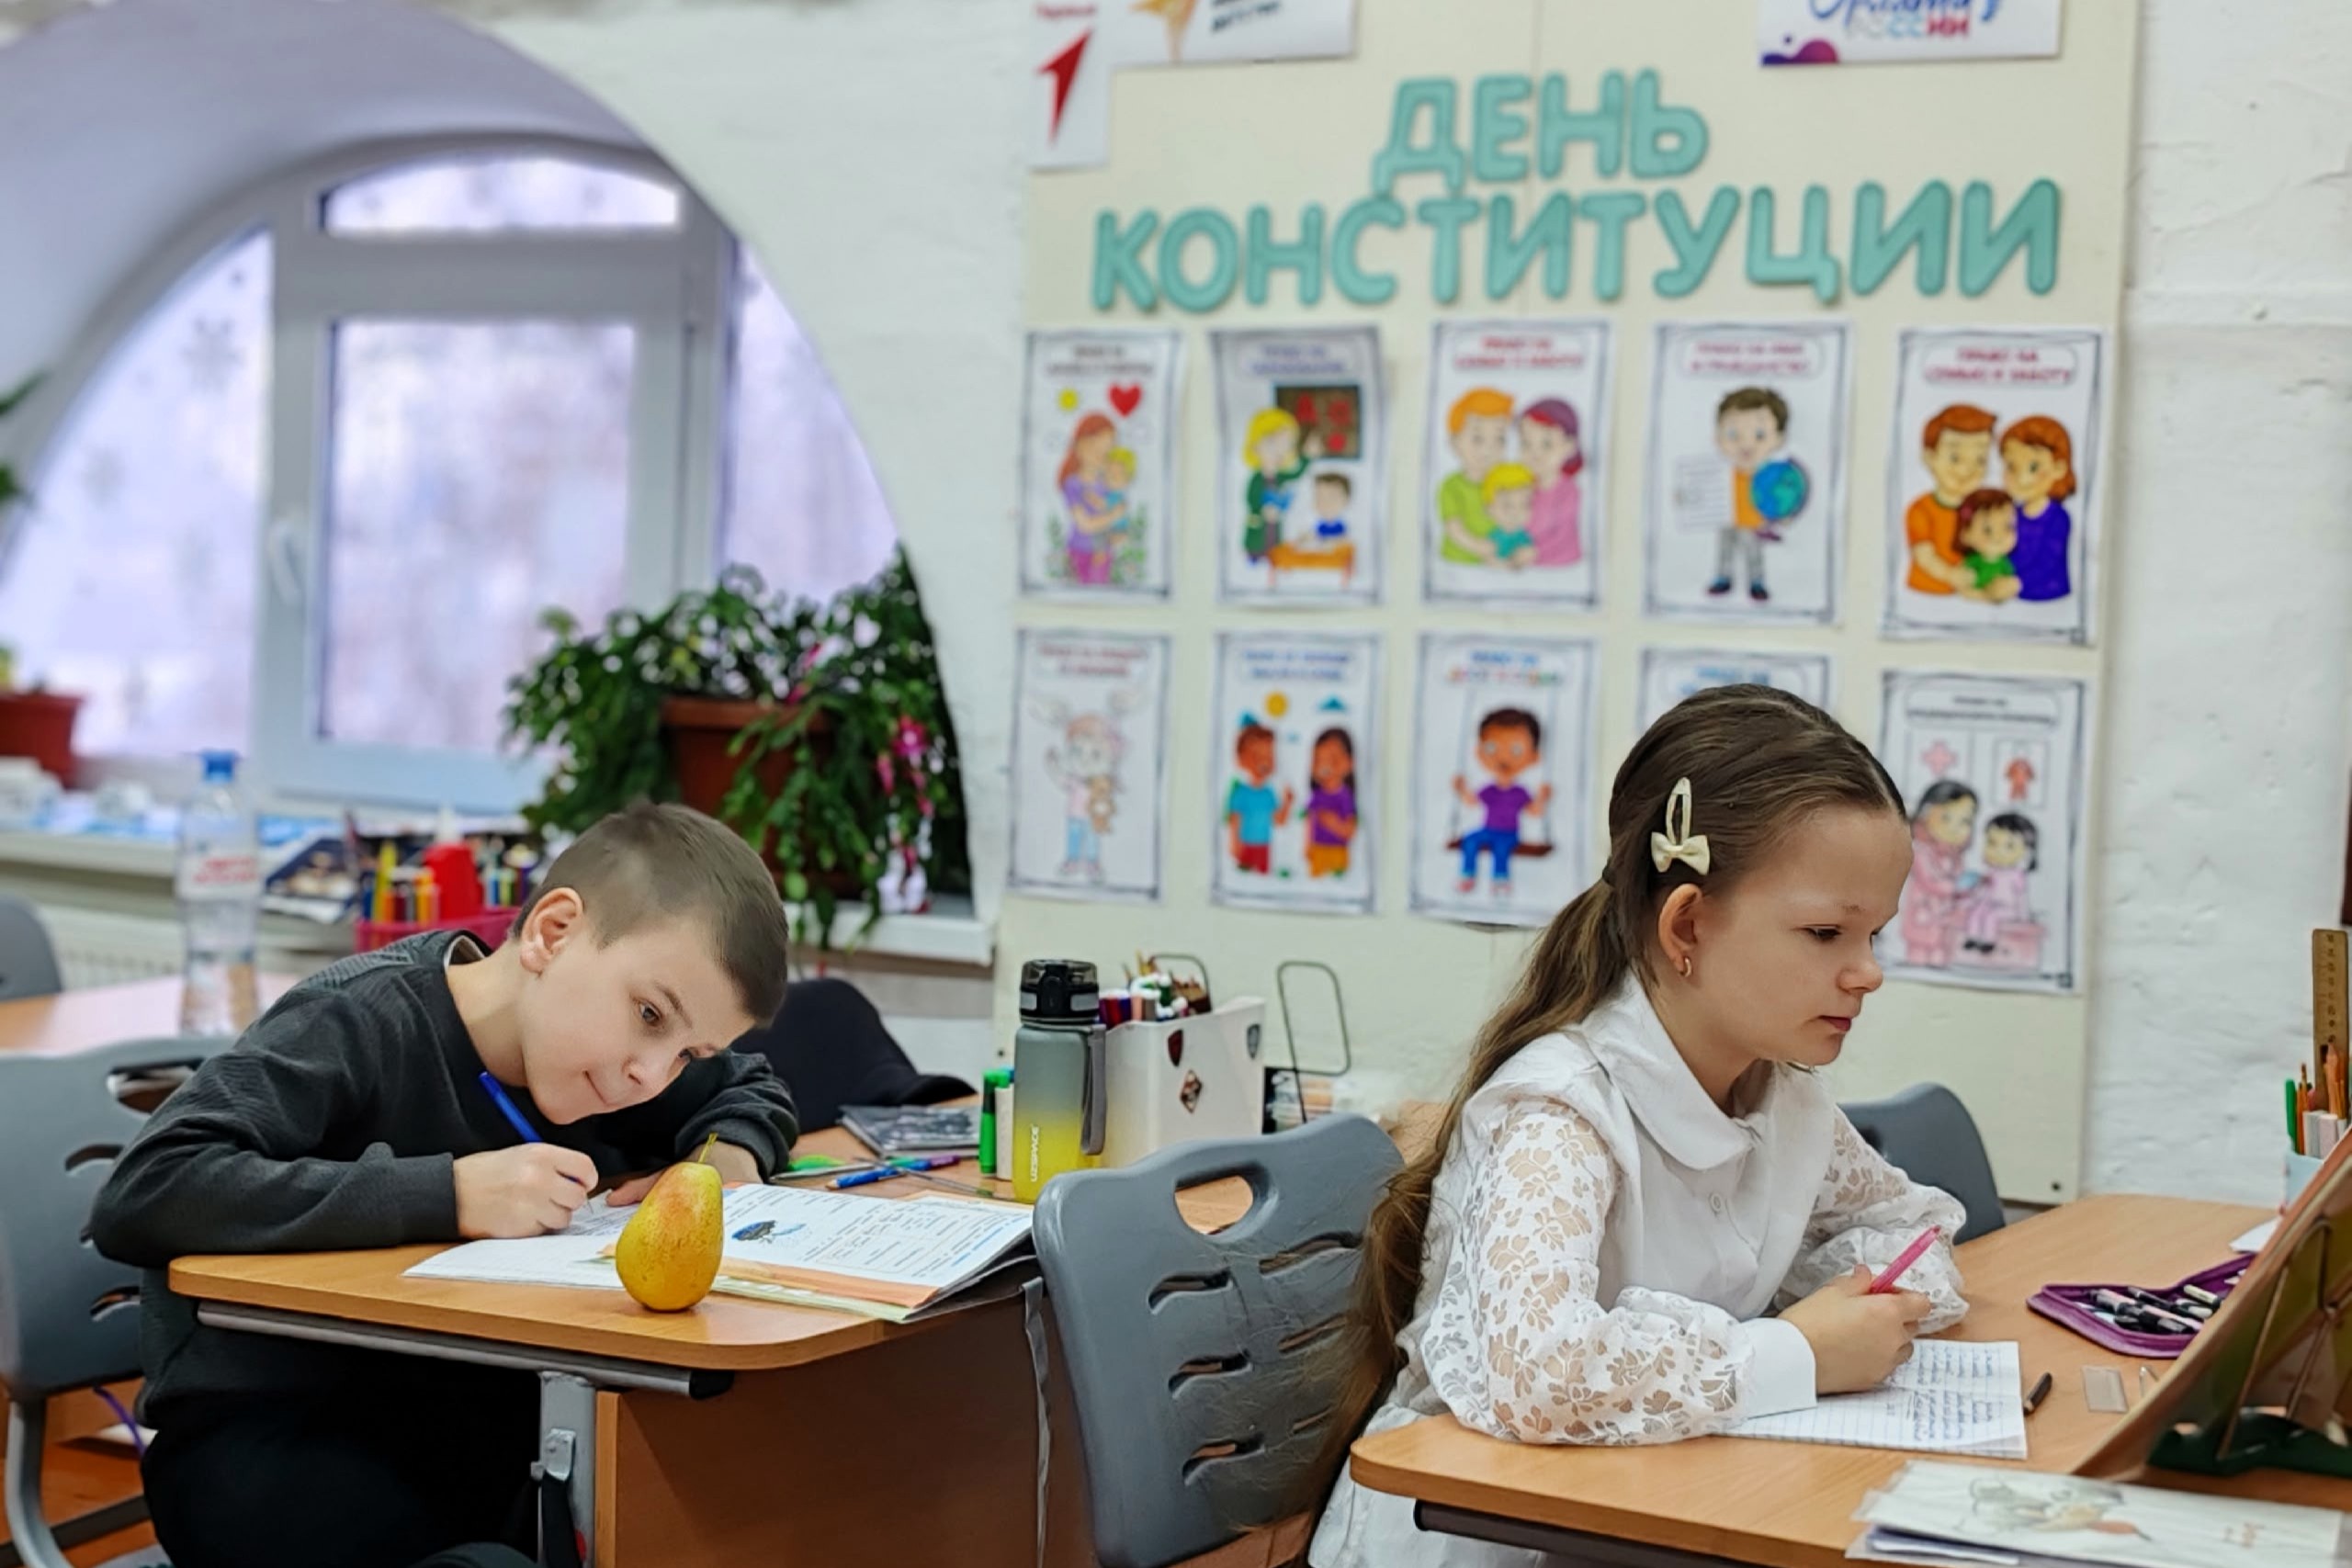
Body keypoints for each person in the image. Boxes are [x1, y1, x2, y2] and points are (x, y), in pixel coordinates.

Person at [1315, 686, 1967, 1568]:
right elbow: (1538, 1373)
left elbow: (1913, 1227)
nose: (1868, 973)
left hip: (1655, 1511)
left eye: (1875, 935)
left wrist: (1845, 1306)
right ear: (1686, 923)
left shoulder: (1781, 1095)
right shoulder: (1561, 1111)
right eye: (1826, 932)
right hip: (1483, 1538)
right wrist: (1798, 1350)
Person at [90, 804, 797, 1568]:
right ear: (553, 932)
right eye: (651, 1015)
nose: (651, 1074)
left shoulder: (609, 1061)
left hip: (462, 1429)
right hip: (269, 1449)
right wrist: (448, 1194)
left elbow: (751, 1087)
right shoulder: (357, 1019)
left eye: (688, 1053)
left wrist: (722, 1160)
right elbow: (148, 1186)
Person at [1452, 707, 1552, 899]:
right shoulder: (1489, 789)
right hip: (1488, 830)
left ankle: (1500, 880)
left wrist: (1542, 797)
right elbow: (1471, 802)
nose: (1503, 758)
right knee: (1470, 840)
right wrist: (1461, 788)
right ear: (1479, 752)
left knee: (1501, 849)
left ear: (1534, 757)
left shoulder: (1520, 792)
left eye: (1516, 750)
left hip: (1509, 834)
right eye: (1491, 748)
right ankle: (1467, 875)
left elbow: (1534, 811)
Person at [1905, 405, 1996, 595]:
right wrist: (1951, 575)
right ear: (1930, 458)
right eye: (1955, 458)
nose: (1966, 470)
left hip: (1969, 596)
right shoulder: (1921, 509)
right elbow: (1925, 556)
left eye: (1980, 460)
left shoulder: (1982, 508)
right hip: (1929, 592)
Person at [1707, 388, 1788, 604]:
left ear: (1779, 439)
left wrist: (1781, 517)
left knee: (1754, 554)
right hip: (1727, 520)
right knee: (1724, 550)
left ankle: (1756, 583)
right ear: (1717, 437)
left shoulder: (1768, 476)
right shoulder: (1720, 475)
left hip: (1754, 522)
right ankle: (1723, 578)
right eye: (1734, 435)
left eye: (1760, 436)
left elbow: (1781, 499)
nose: (1746, 445)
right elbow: (1703, 495)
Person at [1999, 416, 2076, 604]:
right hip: (2014, 599)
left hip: (2049, 597)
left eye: (2033, 467)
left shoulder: (2057, 517)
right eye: (2011, 467)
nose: (2022, 479)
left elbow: (2047, 561)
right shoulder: (2013, 514)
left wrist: (2016, 582)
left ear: (2059, 468)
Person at [1903, 780, 1978, 969]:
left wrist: (1967, 889)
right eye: (1946, 818)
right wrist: (1957, 887)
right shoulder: (1920, 851)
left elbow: (1957, 879)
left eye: (1965, 821)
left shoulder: (1955, 856)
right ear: (1925, 814)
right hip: (1923, 913)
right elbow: (1930, 882)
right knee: (1918, 957)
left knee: (1941, 955)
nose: (1955, 828)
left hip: (1944, 916)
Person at [1436, 388, 1512, 565]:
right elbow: (1454, 528)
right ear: (1455, 443)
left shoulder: (1504, 483)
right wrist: (1480, 548)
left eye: (1499, 439)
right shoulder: (1451, 486)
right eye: (1478, 439)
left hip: (1495, 564)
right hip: (1459, 562)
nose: (1489, 449)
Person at [1243, 406, 1319, 564]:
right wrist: (1262, 512)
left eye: (1285, 446)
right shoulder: (1257, 478)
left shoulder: (1280, 477)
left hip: (1275, 532)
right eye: (1272, 444)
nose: (1279, 452)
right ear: (1255, 446)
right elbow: (1251, 498)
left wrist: (1307, 457)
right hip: (1257, 532)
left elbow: (1296, 474)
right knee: (1256, 559)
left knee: (1274, 555)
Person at [1516, 397, 1584, 568]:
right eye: (1526, 444)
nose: (1535, 454)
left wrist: (1536, 552)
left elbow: (1562, 535)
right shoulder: (1525, 487)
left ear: (1570, 446)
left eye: (1546, 445)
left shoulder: (1568, 491)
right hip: (1528, 567)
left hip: (1560, 564)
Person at [1225, 720, 1294, 874]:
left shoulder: (1269, 793)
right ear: (1241, 759)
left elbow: (1279, 821)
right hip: (1245, 846)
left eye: (1269, 757)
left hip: (1264, 847)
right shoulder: (1241, 793)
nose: (1264, 763)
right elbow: (1235, 820)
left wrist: (1287, 803)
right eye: (1256, 756)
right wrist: (1234, 844)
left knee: (1261, 879)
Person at [1305, 728, 1359, 878]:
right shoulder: (1317, 796)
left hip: (1337, 851)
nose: (1325, 767)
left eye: (1333, 760)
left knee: (1338, 880)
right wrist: (1307, 845)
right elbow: (1310, 821)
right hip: (1318, 849)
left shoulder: (1345, 797)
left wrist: (1334, 824)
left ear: (1349, 763)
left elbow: (1350, 830)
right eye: (1319, 760)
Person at [1952, 488, 2023, 603]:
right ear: (1965, 534)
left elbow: (2010, 578)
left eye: (2008, 526)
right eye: (1987, 530)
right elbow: (1961, 579)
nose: (1998, 537)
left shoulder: (2005, 563)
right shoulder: (1973, 561)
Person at [1480, 463, 1538, 569]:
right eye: (1507, 506)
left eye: (1524, 505)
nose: (1516, 513)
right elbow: (1487, 558)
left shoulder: (1523, 536)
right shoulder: (1493, 537)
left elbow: (1531, 553)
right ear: (1489, 509)